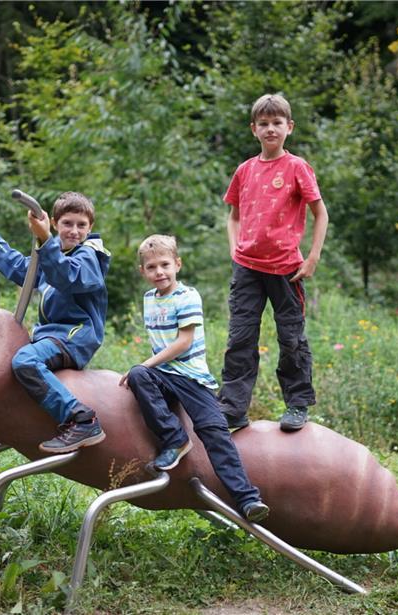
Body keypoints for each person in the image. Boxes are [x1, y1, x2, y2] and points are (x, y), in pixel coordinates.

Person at [119, 234, 269, 522]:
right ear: (142, 272)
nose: (159, 272)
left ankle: (247, 499)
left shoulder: (188, 296)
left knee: (214, 430)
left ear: (178, 264)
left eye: (165, 265)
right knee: (139, 375)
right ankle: (174, 439)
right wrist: (146, 368)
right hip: (162, 376)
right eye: (151, 267)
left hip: (191, 377)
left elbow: (183, 342)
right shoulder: (149, 298)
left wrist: (147, 362)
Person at [0, 191, 111, 452]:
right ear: (55, 223)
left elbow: (68, 276)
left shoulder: (90, 257)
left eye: (82, 225)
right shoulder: (51, 254)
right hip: (50, 334)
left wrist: (45, 239)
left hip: (74, 335)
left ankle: (81, 418)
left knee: (26, 360)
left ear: (91, 228)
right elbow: (23, 269)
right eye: (67, 223)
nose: (74, 231)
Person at [219, 93, 329, 433]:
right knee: (240, 338)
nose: (271, 129)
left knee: (291, 338)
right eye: (264, 124)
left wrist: (312, 257)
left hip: (286, 269)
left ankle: (297, 404)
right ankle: (233, 409)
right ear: (254, 129)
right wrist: (235, 249)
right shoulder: (245, 170)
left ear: (289, 127)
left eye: (277, 123)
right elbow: (233, 217)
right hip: (247, 269)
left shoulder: (297, 167)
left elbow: (320, 213)